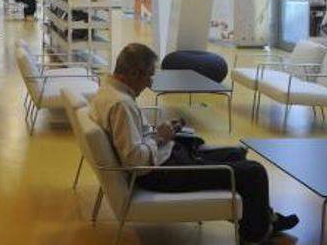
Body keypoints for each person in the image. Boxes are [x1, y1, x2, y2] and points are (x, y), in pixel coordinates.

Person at [89, 43, 299, 244]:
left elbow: (132, 142)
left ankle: (262, 219)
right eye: (149, 76)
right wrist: (159, 137)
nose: (150, 83)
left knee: (236, 154)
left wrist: (160, 135)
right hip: (162, 173)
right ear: (134, 74)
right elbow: (135, 161)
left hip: (164, 161)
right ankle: (255, 235)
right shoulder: (121, 105)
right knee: (254, 171)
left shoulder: (108, 92)